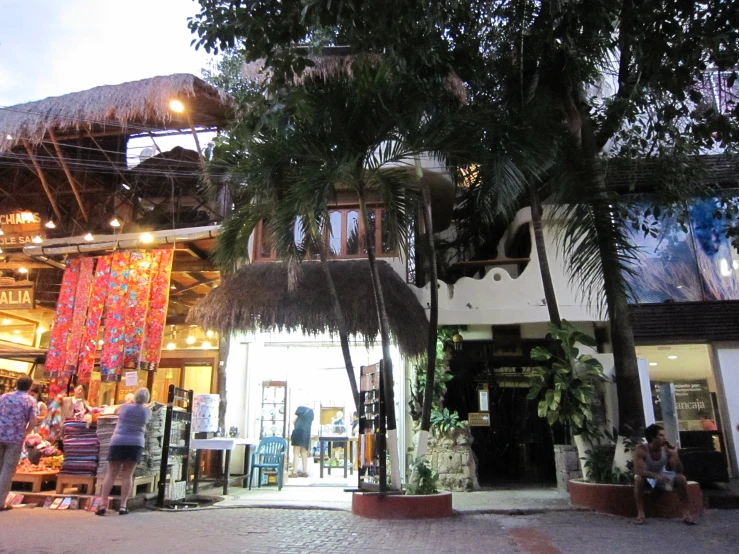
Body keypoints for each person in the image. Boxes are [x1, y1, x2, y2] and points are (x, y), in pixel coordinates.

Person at [96, 388, 151, 516]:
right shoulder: (146, 411)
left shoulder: (124, 407)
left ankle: (102, 504)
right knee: (127, 475)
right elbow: (147, 421)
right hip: (135, 443)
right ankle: (123, 506)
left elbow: (115, 411)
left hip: (118, 441)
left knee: (111, 474)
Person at [633, 424, 695, 525]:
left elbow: (679, 470)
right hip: (648, 477)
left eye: (664, 435)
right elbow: (638, 471)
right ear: (652, 437)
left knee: (681, 478)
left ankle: (686, 514)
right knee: (638, 479)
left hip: (661, 475)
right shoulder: (641, 450)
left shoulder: (666, 450)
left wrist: (675, 454)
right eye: (660, 435)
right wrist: (655, 476)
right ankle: (640, 514)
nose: (664, 438)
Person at [0, 376, 37, 510]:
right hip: (15, 438)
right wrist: (26, 432)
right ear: (30, 386)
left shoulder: (4, 397)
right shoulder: (29, 400)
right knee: (7, 470)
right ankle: (0, 501)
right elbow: (33, 421)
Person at [289, 405, 314, 478]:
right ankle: (304, 471)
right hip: (306, 433)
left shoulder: (300, 412)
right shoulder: (311, 413)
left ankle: (294, 472)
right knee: (304, 452)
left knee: (296, 452)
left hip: (298, 431)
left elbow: (293, 421)